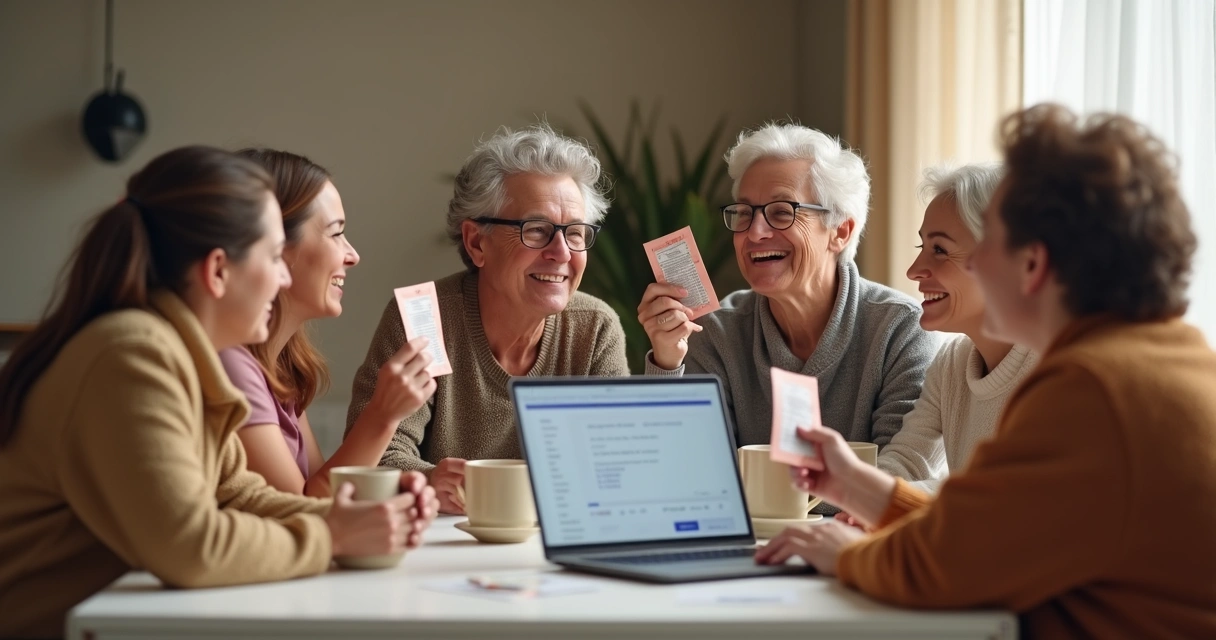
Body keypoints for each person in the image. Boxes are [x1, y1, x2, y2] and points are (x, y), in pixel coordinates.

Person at [756, 105, 1216, 638]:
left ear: (1032, 263)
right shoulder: (1168, 357)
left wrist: (848, 558)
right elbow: (991, 534)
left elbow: (946, 566)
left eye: (988, 244)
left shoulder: (1091, 387)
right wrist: (859, 486)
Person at [0, 146, 438, 639]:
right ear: (217, 271)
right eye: (274, 258)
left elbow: (242, 494)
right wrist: (335, 533)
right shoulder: (134, 354)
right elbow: (189, 545)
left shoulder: (180, 355)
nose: (283, 277)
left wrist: (359, 517)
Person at [347, 123, 630, 514]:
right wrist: (430, 480)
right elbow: (377, 451)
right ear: (477, 243)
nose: (562, 252)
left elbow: (616, 460)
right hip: (443, 544)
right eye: (536, 230)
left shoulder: (595, 327)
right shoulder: (423, 316)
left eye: (576, 233)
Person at [638, 123, 936, 481]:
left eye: (781, 212)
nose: (755, 232)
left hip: (859, 533)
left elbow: (902, 478)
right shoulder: (716, 331)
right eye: (745, 213)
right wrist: (668, 364)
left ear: (840, 231)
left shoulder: (900, 330)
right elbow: (685, 475)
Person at [219, 149, 435, 497]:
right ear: (277, 246)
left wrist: (396, 486)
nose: (353, 255)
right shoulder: (231, 365)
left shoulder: (282, 366)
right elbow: (304, 509)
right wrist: (382, 415)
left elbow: (325, 488)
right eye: (336, 234)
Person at [876, 163, 1037, 492]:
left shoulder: (1055, 367)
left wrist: (874, 497)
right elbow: (906, 462)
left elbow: (1005, 496)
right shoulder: (952, 363)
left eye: (940, 250)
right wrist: (842, 486)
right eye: (923, 248)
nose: (914, 270)